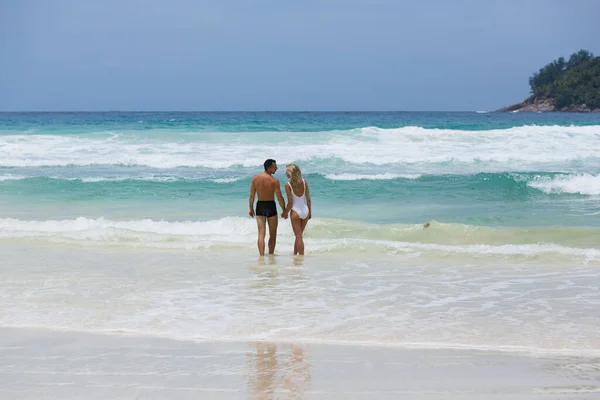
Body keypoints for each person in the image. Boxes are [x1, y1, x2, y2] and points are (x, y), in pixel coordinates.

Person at [249, 159, 286, 256]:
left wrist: (251, 208)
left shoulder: (255, 179)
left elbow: (252, 195)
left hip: (260, 206)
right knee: (273, 234)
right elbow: (279, 197)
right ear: (269, 167)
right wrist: (284, 210)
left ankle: (261, 256)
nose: (276, 168)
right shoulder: (274, 181)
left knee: (261, 234)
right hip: (271, 206)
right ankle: (270, 255)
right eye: (275, 167)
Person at [282, 164, 312, 255]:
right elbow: (308, 199)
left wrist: (285, 213)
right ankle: (295, 254)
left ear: (290, 173)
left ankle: (301, 258)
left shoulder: (288, 185)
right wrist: (310, 212)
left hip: (295, 211)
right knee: (298, 236)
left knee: (298, 236)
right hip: (305, 210)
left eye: (286, 171)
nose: (285, 173)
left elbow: (290, 203)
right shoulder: (304, 182)